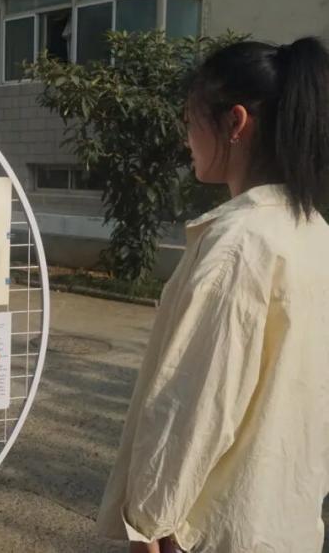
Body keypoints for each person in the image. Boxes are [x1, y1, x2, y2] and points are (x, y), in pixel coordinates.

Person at [97, 37, 329, 552]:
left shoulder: (238, 243)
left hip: (211, 533)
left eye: (189, 120)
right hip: (287, 522)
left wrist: (147, 523)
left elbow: (195, 405)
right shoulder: (316, 234)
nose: (186, 140)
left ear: (235, 123)